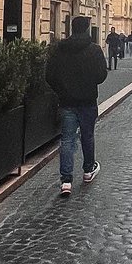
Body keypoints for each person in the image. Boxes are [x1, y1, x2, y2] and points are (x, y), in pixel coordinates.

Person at [45, 15, 108, 197]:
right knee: (87, 136)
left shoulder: (60, 49)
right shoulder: (94, 50)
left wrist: (62, 89)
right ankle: (88, 170)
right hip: (87, 101)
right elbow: (101, 76)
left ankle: (66, 181)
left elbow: (50, 75)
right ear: (87, 29)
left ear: (72, 28)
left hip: (67, 101)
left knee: (67, 140)